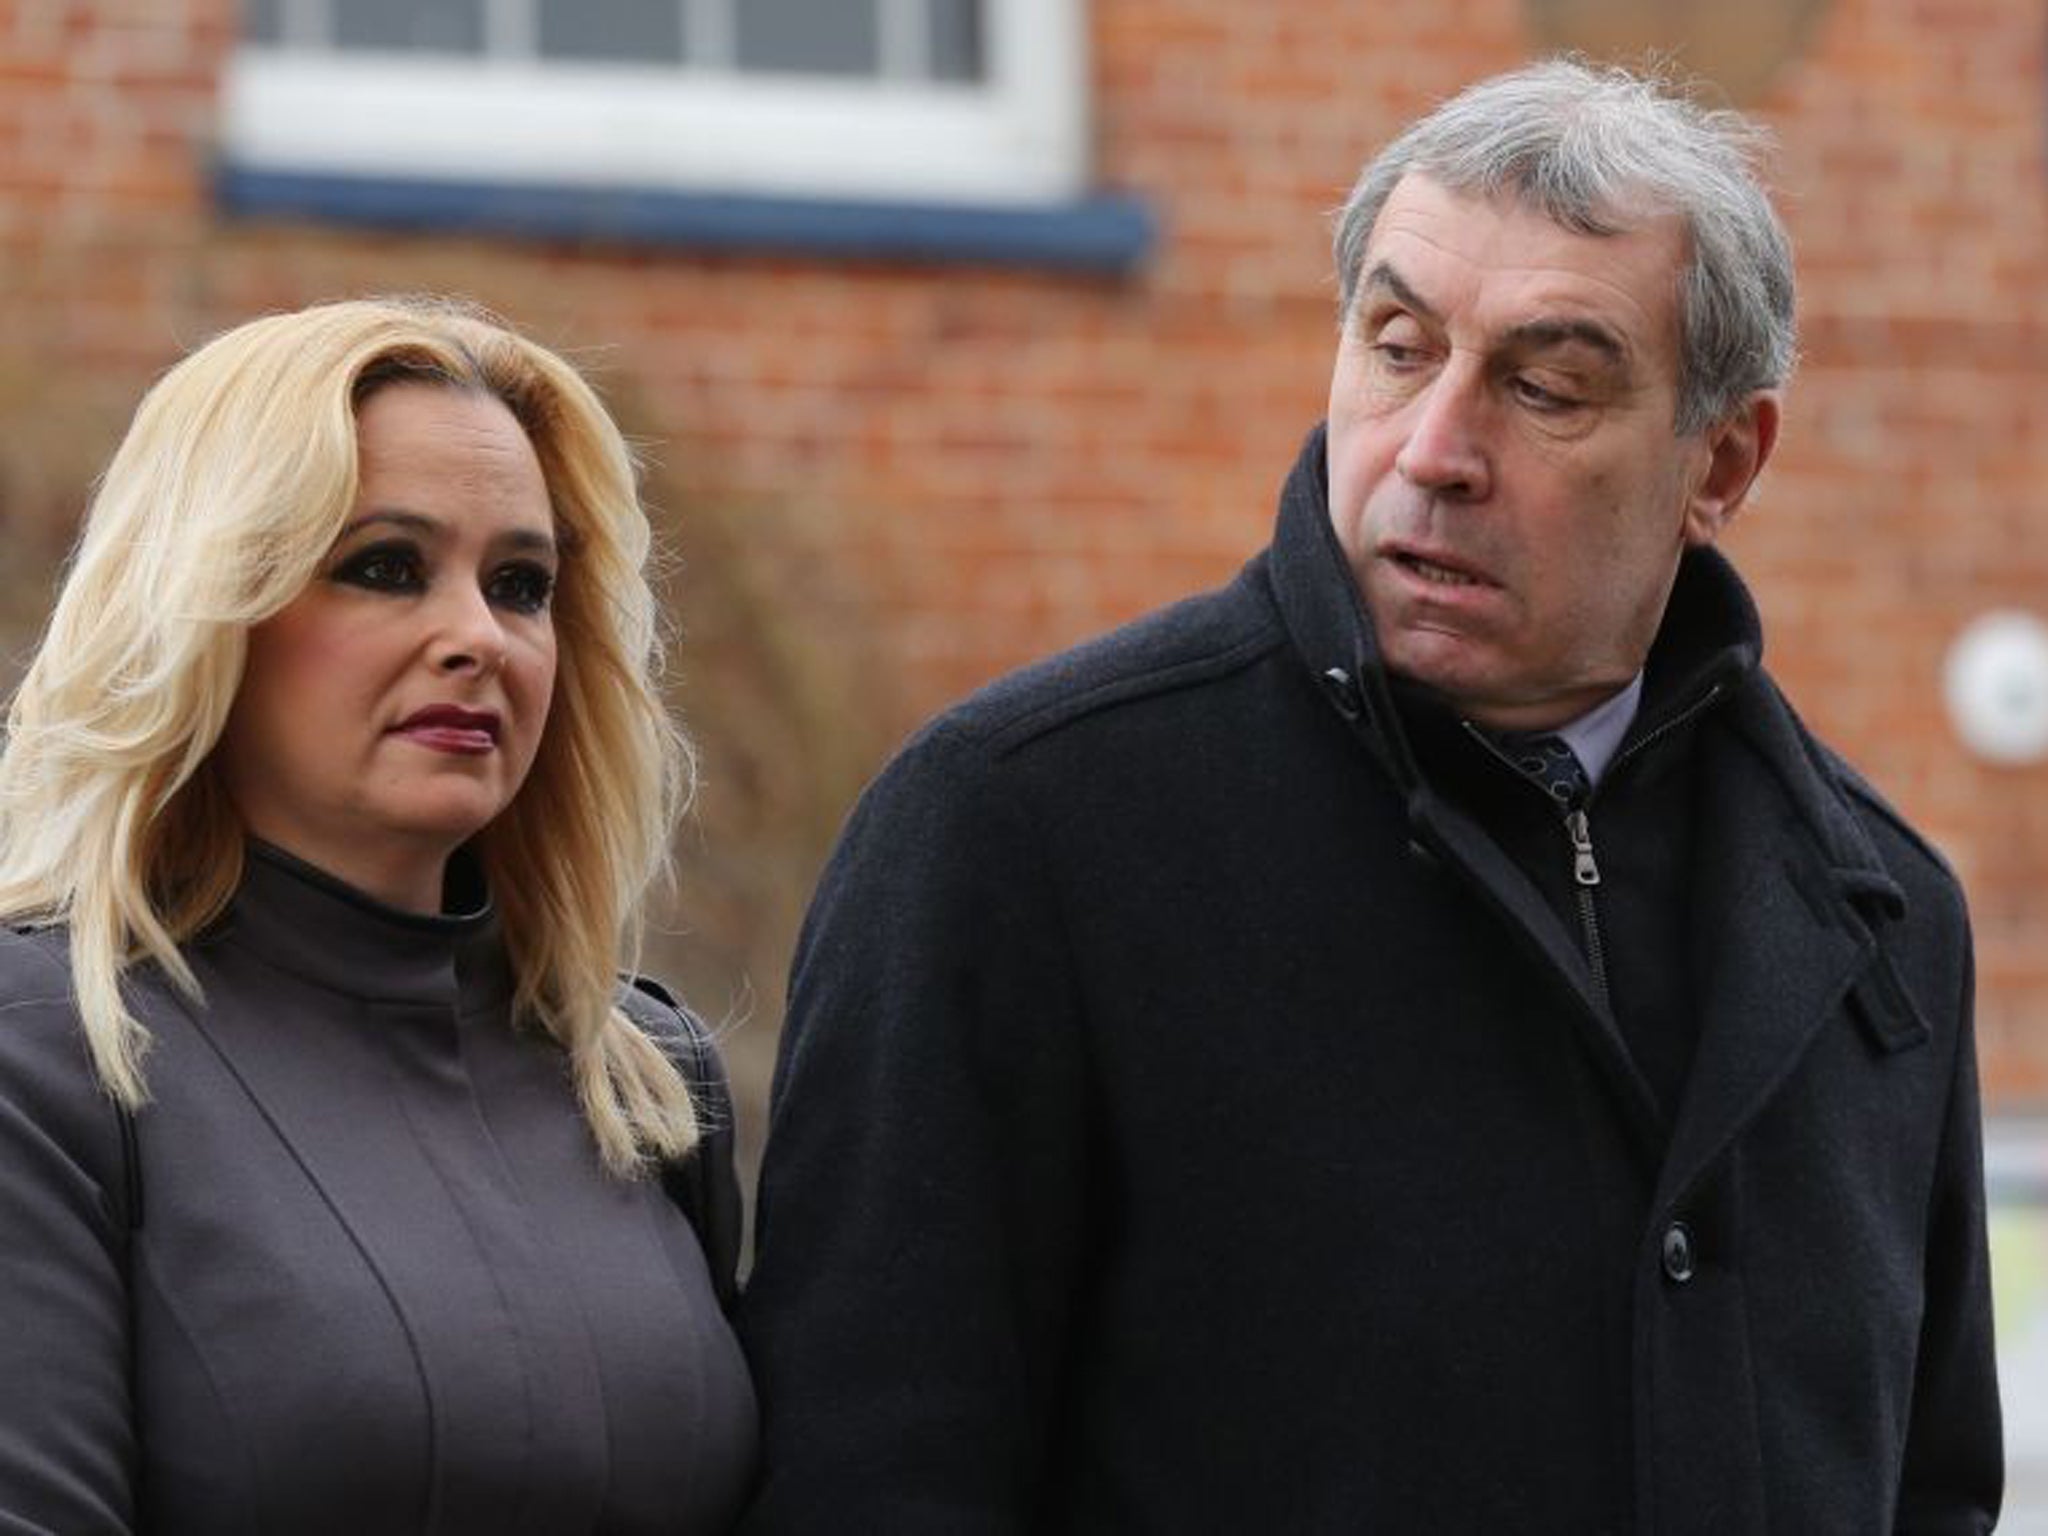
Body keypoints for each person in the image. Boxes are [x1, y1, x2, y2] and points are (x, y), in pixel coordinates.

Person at [737, 60, 2003, 1532]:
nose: (1435, 450)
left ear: (1721, 460)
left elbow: (1935, 1492)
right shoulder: (1020, 831)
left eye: (1545, 388)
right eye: (1398, 347)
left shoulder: (1881, 924)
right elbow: (872, 1481)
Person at [0, 296, 756, 1533]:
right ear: (209, 611)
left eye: (521, 585)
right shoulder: (47, 1056)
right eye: (384, 568)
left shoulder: (642, 1084)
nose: (478, 637)